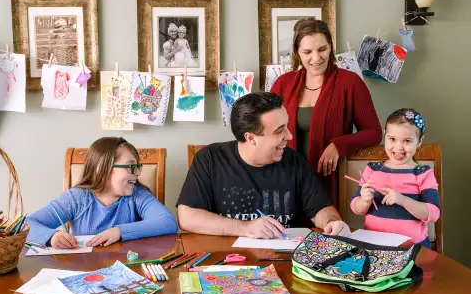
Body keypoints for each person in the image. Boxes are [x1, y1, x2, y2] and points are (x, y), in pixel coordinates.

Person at [176, 92, 351, 238]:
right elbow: (187, 217)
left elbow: (320, 208)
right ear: (251, 138)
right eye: (279, 130)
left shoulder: (294, 161)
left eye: (287, 127)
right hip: (228, 263)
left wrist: (333, 223)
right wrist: (245, 228)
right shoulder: (210, 159)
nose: (290, 136)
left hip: (285, 261)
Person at [271, 19, 382, 207]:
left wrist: (338, 145)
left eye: (322, 49)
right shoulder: (283, 83)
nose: (316, 58)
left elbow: (374, 132)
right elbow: (265, 128)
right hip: (285, 179)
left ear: (330, 47)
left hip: (329, 181)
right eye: (307, 52)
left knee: (328, 231)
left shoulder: (350, 82)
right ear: (298, 53)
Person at [26, 137, 178, 248]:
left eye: (138, 167)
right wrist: (52, 236)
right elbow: (27, 224)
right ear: (103, 169)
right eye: (131, 167)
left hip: (128, 269)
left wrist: (119, 231)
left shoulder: (137, 195)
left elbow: (168, 222)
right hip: (84, 270)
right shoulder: (76, 198)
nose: (137, 173)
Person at [350, 109, 440, 248]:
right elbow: (357, 208)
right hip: (374, 246)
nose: (399, 147)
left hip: (412, 248)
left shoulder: (422, 173)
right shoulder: (373, 169)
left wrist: (403, 200)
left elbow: (433, 214)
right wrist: (364, 200)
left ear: (419, 141)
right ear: (385, 136)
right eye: (392, 139)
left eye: (407, 141)